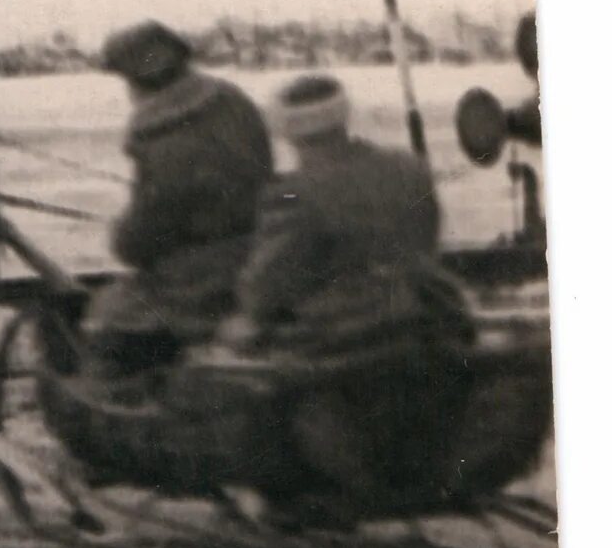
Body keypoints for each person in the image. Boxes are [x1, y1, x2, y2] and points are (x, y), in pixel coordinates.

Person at [83, 21, 274, 379]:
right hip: (263, 253)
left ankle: (114, 406)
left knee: (105, 316)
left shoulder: (158, 136)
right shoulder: (233, 99)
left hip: (199, 284)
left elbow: (140, 241)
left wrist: (119, 234)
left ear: (136, 82)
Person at [220, 74, 459, 359]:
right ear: (345, 113)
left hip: (345, 338)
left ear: (285, 129)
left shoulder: (293, 194)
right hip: (429, 313)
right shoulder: (409, 166)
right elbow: (425, 244)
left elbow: (266, 290)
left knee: (228, 339)